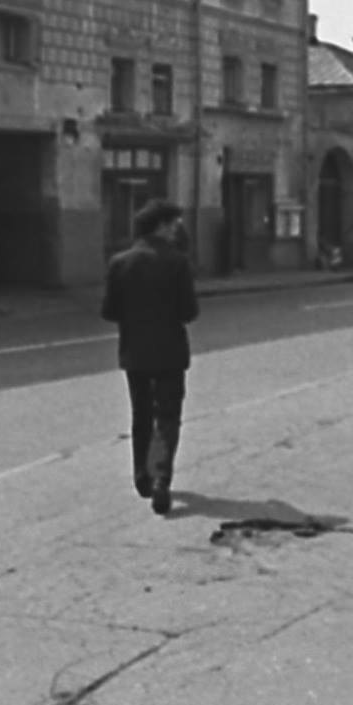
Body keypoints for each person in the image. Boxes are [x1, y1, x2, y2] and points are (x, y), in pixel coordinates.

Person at [101, 199, 200, 516]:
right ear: (161, 226)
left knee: (141, 415)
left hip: (135, 352)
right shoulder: (177, 262)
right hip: (170, 352)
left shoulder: (119, 262)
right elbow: (189, 312)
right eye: (173, 224)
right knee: (167, 417)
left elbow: (109, 311)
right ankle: (161, 479)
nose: (175, 230)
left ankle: (141, 478)